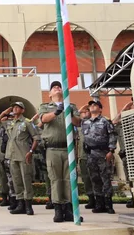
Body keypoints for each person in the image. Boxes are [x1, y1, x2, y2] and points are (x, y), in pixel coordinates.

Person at [38, 81, 81, 223]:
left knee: (69, 179)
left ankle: (69, 209)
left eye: (59, 86)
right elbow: (44, 119)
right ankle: (58, 209)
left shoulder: (71, 105)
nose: (57, 88)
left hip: (68, 148)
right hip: (52, 148)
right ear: (50, 94)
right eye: (53, 87)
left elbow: (77, 122)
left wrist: (67, 111)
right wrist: (57, 111)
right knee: (55, 179)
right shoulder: (45, 106)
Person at [0, 102, 39, 216]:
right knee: (16, 181)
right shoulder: (10, 123)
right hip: (12, 155)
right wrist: (4, 112)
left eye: (17, 107)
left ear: (23, 110)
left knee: (26, 180)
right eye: (13, 107)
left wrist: (31, 151)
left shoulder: (27, 122)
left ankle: (28, 205)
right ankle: (20, 204)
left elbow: (36, 138)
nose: (15, 108)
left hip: (24, 155)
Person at [80, 100, 117, 214]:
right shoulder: (85, 122)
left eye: (95, 105)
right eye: (90, 105)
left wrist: (111, 150)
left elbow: (112, 135)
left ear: (100, 109)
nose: (92, 106)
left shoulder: (105, 121)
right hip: (91, 154)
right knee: (95, 179)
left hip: (103, 152)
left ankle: (108, 204)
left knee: (105, 178)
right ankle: (99, 204)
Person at [77, 106, 95, 209]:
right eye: (84, 112)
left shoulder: (98, 122)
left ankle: (101, 200)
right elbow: (73, 118)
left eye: (87, 111)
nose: (85, 113)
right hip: (83, 156)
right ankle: (91, 199)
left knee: (96, 178)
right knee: (86, 179)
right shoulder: (81, 124)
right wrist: (80, 110)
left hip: (95, 155)